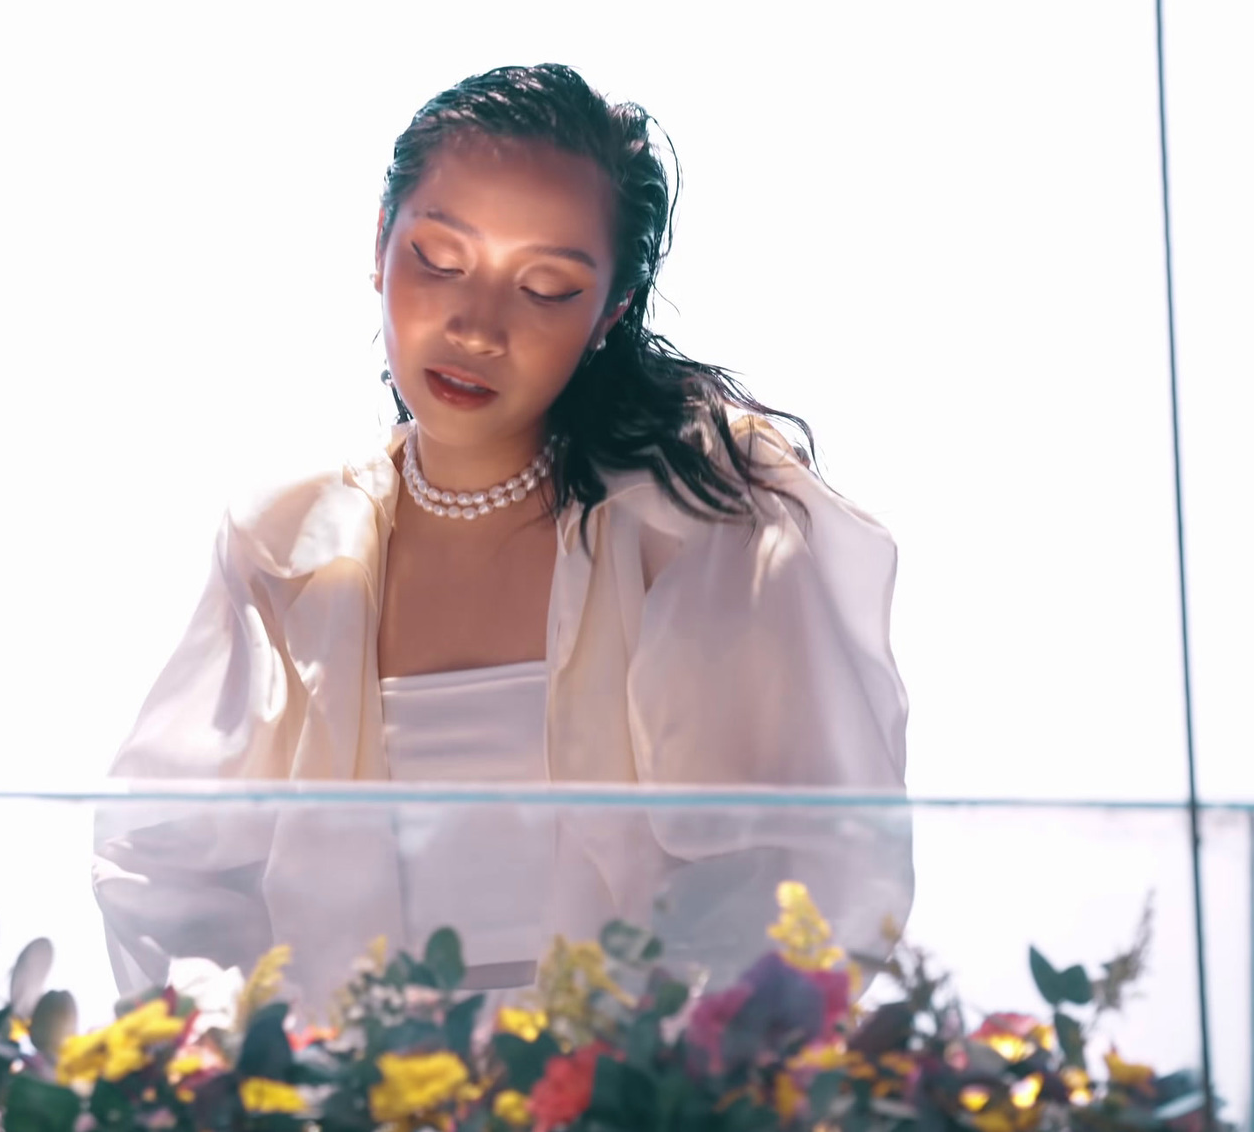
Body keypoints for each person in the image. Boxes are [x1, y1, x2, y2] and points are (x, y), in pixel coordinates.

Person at [91, 63, 911, 1010]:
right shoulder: (286, 537)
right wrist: (266, 1065)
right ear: (377, 248)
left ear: (609, 313)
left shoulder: (700, 522)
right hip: (353, 1097)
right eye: (438, 261)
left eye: (547, 286)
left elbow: (801, 872)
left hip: (626, 1092)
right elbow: (170, 869)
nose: (476, 325)